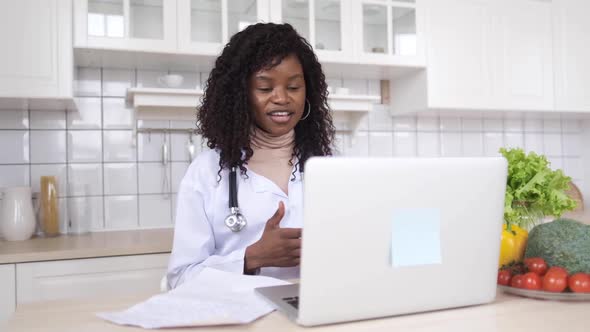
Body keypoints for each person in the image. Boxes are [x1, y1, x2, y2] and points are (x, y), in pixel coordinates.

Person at [166, 23, 335, 289]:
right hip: (241, 319)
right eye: (265, 88)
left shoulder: (332, 166)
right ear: (241, 95)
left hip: (320, 311)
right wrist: (252, 257)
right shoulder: (208, 171)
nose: (281, 98)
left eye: (293, 87)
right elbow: (181, 278)